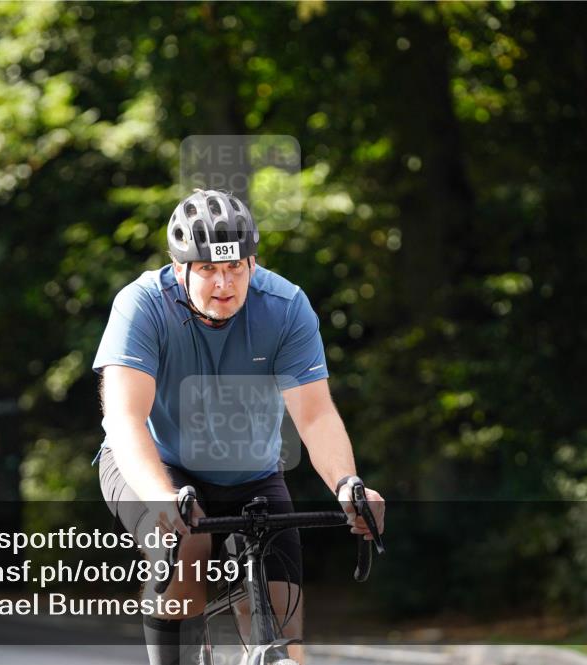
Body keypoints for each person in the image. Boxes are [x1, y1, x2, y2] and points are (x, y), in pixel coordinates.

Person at [93, 188, 385, 665]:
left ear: (254, 261)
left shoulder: (285, 306)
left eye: (235, 267)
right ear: (179, 266)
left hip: (250, 471)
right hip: (153, 462)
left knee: (284, 617)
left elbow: (314, 414)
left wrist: (347, 484)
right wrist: (163, 499)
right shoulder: (142, 305)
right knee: (189, 545)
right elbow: (125, 419)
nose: (223, 283)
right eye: (207, 269)